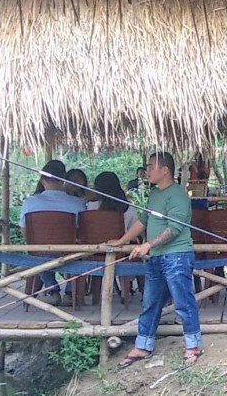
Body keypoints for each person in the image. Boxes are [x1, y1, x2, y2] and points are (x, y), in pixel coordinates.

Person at [102, 151, 204, 367]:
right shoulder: (154, 194)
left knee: (183, 302)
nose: (147, 171)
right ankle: (144, 345)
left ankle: (193, 345)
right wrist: (122, 241)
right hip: (157, 257)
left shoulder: (178, 194)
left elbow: (174, 229)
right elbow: (143, 221)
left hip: (177, 255)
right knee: (150, 303)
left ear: (164, 170)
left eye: (151, 167)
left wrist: (147, 245)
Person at [19, 159, 86, 226]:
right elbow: (84, 230)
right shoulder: (79, 204)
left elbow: (25, 230)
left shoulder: (29, 203)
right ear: (63, 179)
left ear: (42, 181)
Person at [86, 170, 139, 236]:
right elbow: (135, 231)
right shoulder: (129, 207)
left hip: (95, 241)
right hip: (121, 241)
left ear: (98, 188)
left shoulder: (92, 205)